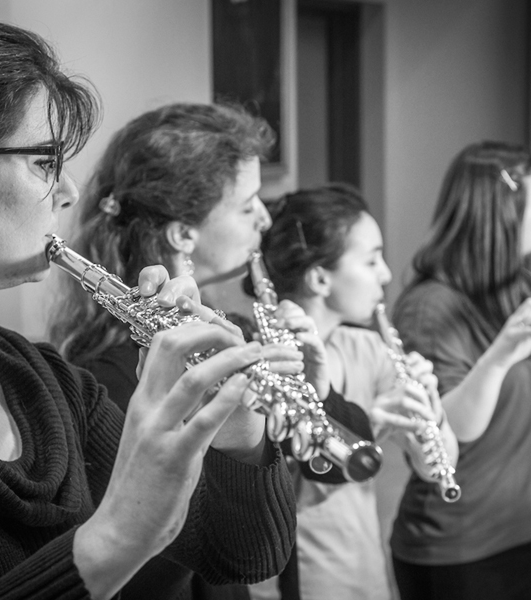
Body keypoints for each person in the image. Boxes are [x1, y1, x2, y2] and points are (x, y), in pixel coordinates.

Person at [0, 13, 298, 599]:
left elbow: (243, 554)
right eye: (44, 163)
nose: (72, 192)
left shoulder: (48, 383)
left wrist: (235, 424)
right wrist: (113, 539)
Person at [48, 104, 376, 599]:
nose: (266, 217)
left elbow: (332, 459)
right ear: (183, 234)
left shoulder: (236, 330)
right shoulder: (104, 381)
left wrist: (316, 392)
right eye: (247, 206)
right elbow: (192, 550)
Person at [248, 184, 458, 600]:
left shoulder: (367, 348)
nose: (385, 273)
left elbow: (438, 469)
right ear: (321, 277)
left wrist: (430, 411)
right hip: (289, 582)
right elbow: (272, 482)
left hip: (363, 574)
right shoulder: (262, 356)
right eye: (371, 259)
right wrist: (370, 426)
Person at [390, 141, 531, 600]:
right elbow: (451, 431)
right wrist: (502, 352)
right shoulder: (431, 308)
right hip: (460, 547)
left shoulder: (516, 283)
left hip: (517, 527)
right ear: (501, 213)